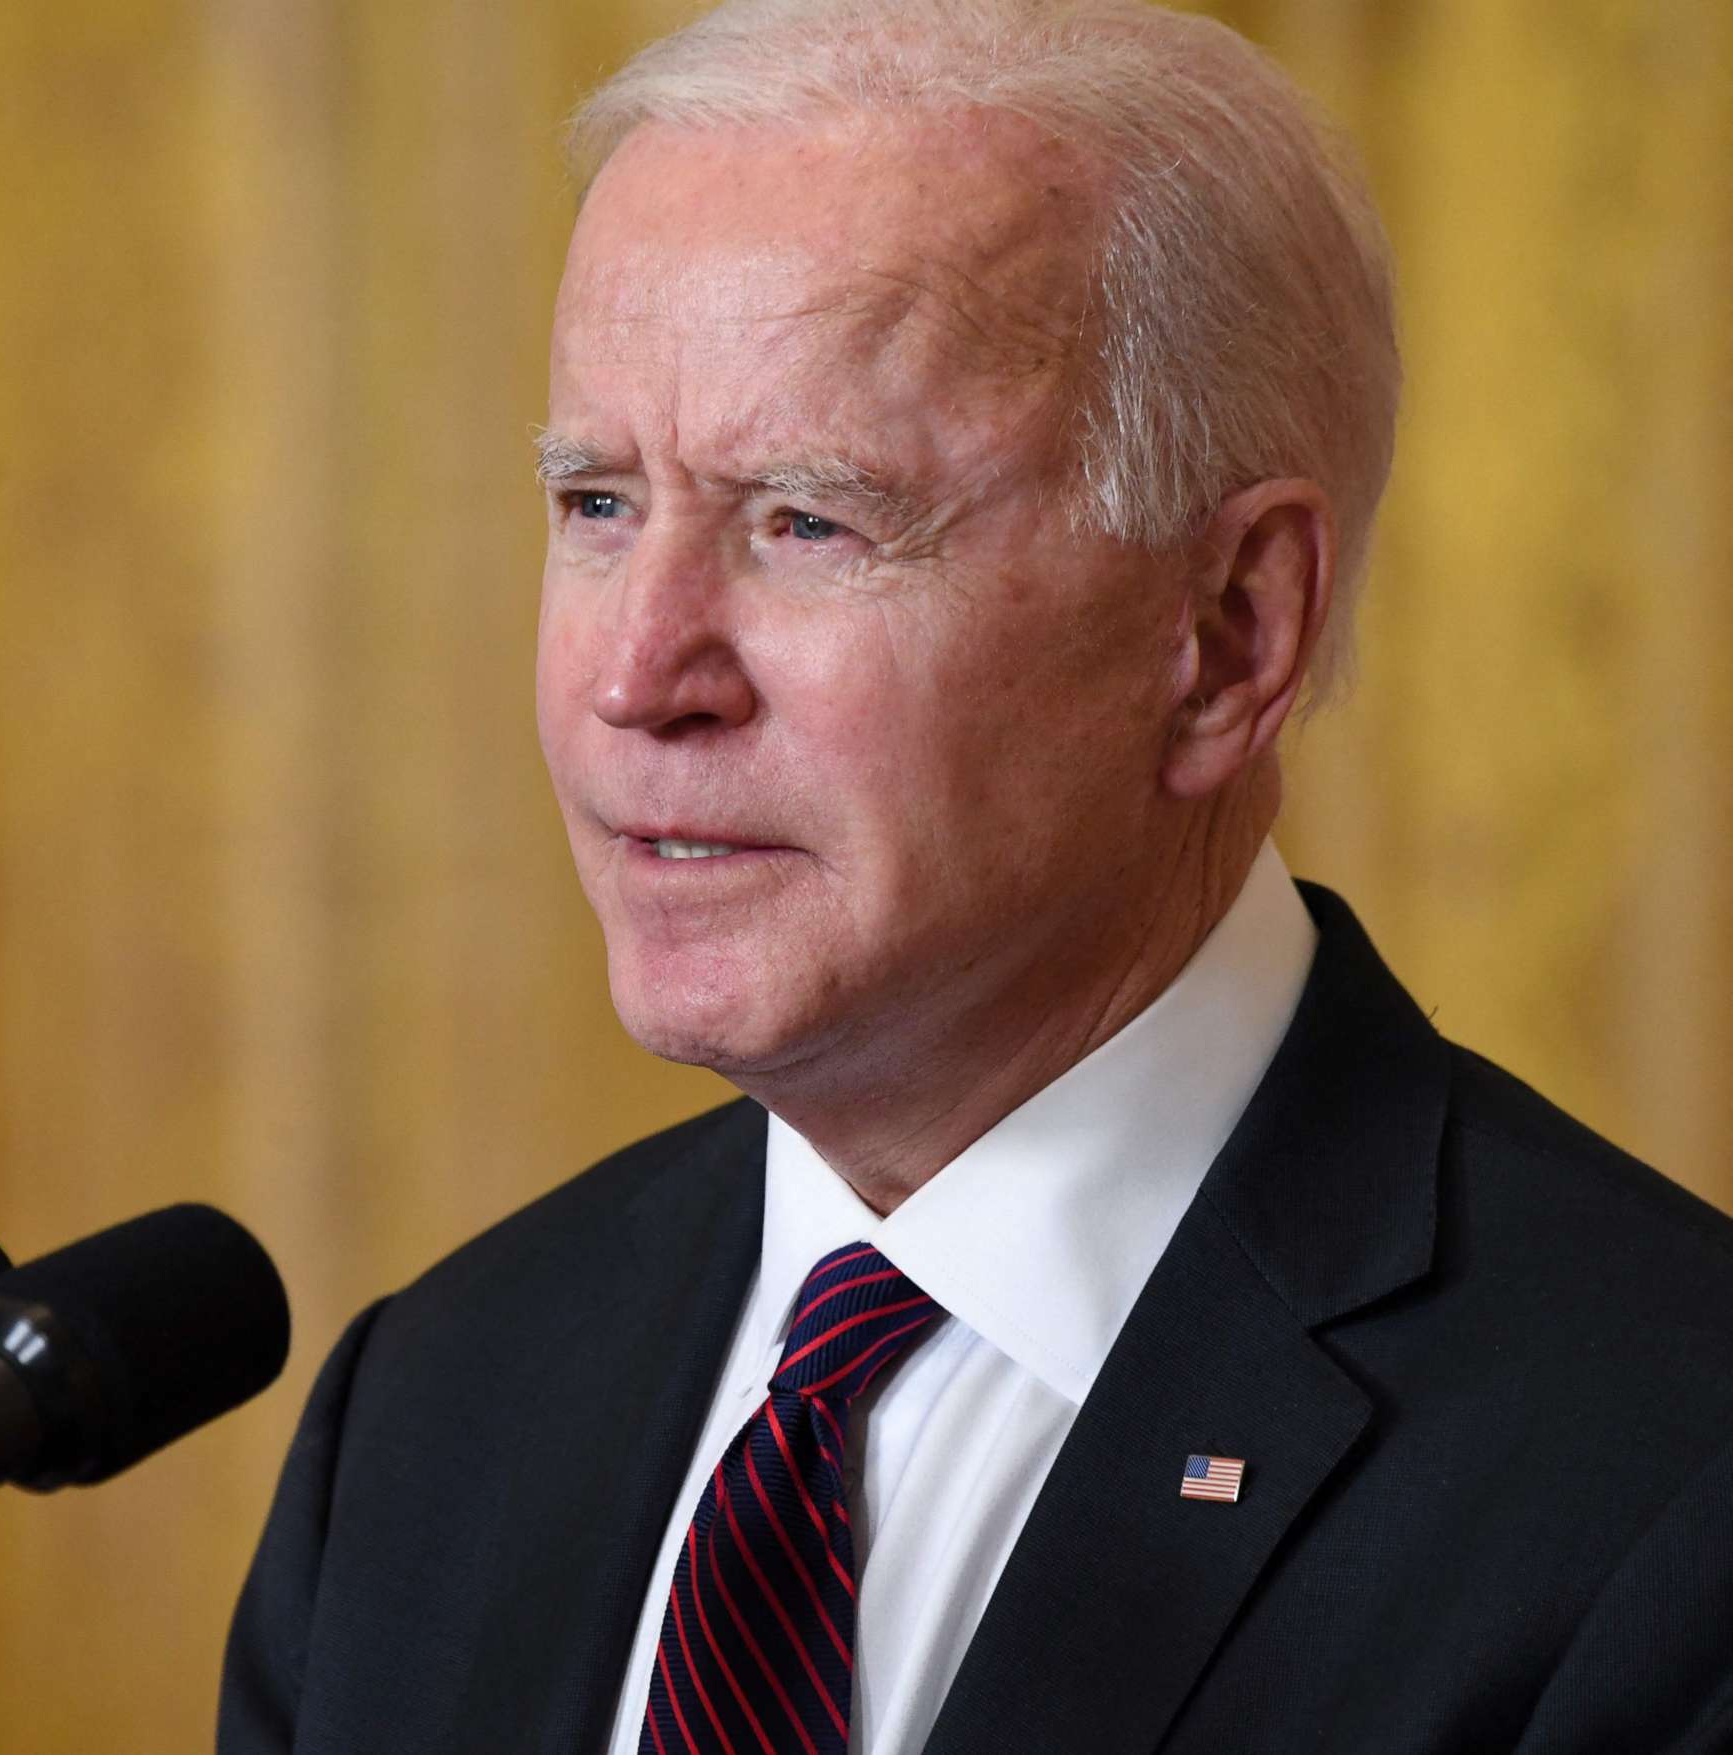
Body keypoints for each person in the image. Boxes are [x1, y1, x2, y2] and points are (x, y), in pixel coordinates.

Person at [218, 2, 1733, 1751]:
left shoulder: (1665, 1494)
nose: (638, 677)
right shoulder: (434, 1410)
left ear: (1229, 635)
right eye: (598, 504)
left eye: (810, 520)